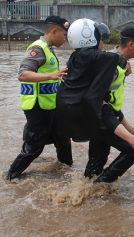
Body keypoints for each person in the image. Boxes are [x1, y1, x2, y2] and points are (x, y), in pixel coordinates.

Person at [84, 27, 134, 183]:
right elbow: (96, 96)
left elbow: (111, 97)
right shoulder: (113, 65)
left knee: (95, 165)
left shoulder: (118, 61)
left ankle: (87, 192)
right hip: (103, 121)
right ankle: (102, 185)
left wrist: (130, 127)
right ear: (130, 45)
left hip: (101, 120)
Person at [7, 16, 73, 180]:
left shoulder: (48, 49)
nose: (65, 39)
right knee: (34, 147)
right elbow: (23, 74)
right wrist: (52, 75)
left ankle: (67, 170)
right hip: (37, 107)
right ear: (54, 31)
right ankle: (10, 176)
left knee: (63, 137)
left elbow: (48, 74)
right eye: (64, 35)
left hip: (49, 105)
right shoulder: (38, 48)